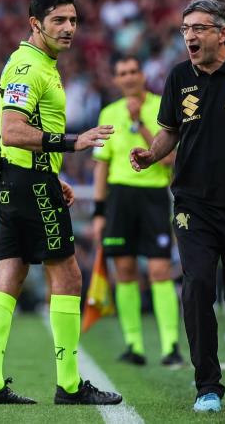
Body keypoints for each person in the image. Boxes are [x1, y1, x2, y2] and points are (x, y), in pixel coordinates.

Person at [130, 0, 225, 413]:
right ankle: (207, 387)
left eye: (198, 28)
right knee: (196, 287)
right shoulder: (179, 76)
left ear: (222, 33)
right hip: (192, 203)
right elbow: (170, 132)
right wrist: (151, 154)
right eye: (185, 29)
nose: (189, 37)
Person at [0, 0, 121, 406]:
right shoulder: (28, 66)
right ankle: (70, 386)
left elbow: (22, 132)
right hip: (27, 181)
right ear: (35, 24)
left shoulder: (40, 64)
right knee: (68, 275)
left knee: (11, 271)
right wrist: (73, 143)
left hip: (17, 177)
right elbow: (12, 130)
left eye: (73, 20)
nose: (69, 28)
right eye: (59, 20)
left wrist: (51, 174)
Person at [92, 55, 182, 367]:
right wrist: (99, 212)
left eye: (133, 71)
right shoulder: (108, 113)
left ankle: (170, 346)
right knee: (125, 270)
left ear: (142, 75)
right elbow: (101, 166)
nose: (129, 77)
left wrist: (139, 122)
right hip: (119, 197)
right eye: (123, 73)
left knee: (159, 271)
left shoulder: (161, 107)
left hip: (153, 196)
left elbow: (168, 158)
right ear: (116, 80)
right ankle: (134, 345)